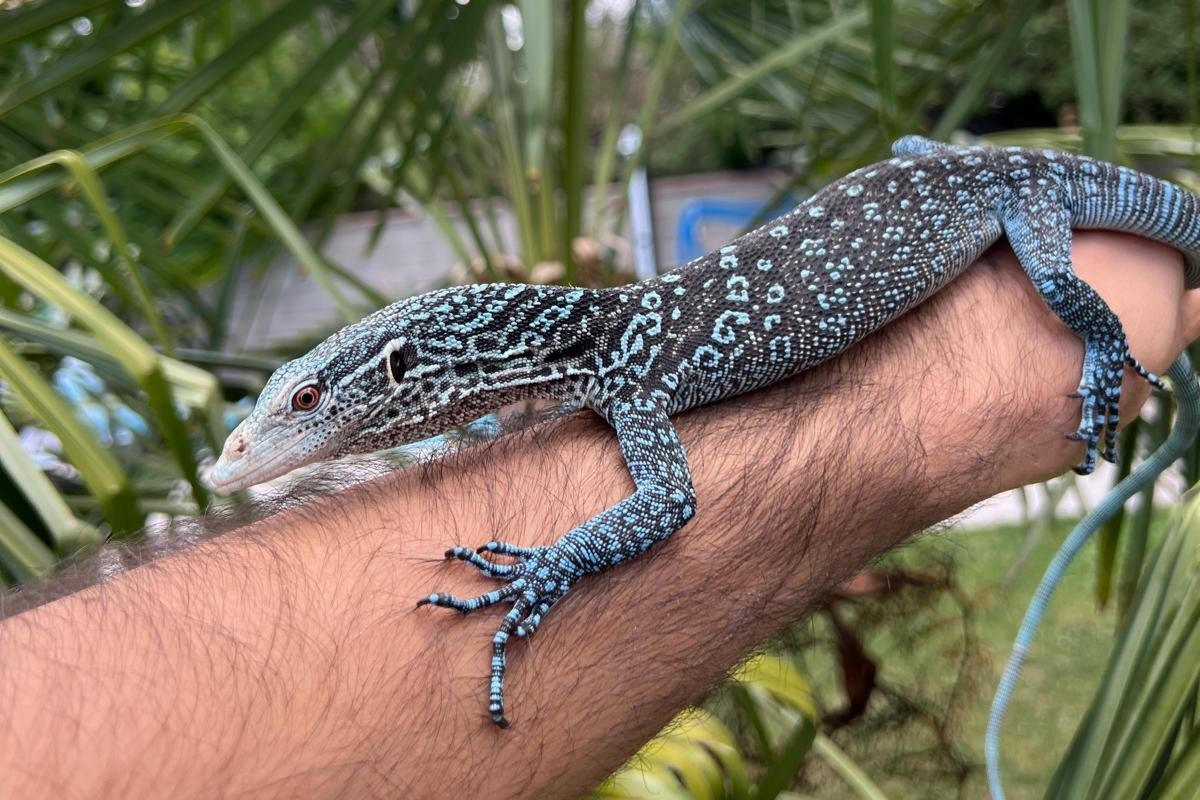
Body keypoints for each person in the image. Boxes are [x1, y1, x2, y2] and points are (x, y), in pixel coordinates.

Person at [0, 233, 1196, 799]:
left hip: (1011, 216)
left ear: (406, 373)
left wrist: (546, 573)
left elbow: (671, 499)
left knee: (1069, 280)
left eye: (310, 404)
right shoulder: (609, 360)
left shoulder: (633, 362)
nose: (263, 440)